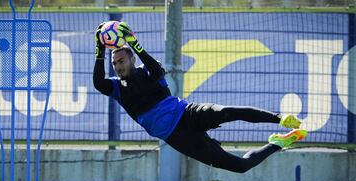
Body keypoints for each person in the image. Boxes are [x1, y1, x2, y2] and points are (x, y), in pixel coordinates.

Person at [93, 22, 307, 173]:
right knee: (239, 167)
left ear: (130, 59)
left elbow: (156, 69)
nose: (118, 66)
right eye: (114, 63)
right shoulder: (117, 87)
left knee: (226, 112)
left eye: (121, 61)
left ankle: (280, 119)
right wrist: (100, 50)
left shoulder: (147, 71)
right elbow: (98, 83)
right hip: (178, 138)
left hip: (187, 113)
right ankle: (278, 143)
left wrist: (136, 44)